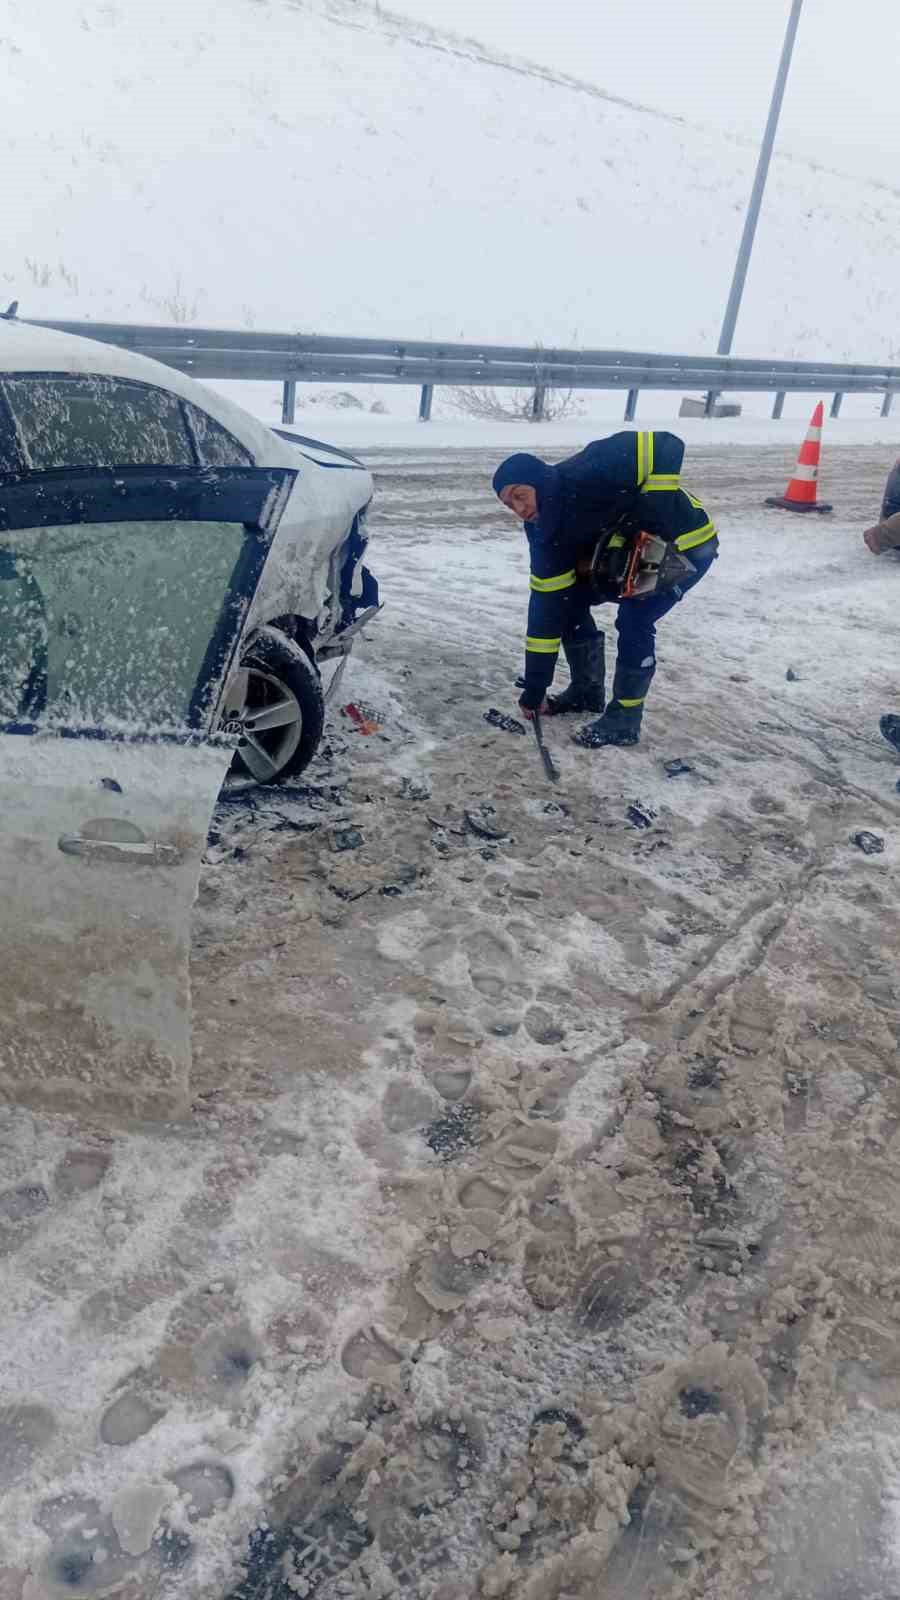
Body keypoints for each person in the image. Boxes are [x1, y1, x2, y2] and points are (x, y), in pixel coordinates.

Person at [492, 430, 718, 747]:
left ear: (538, 482)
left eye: (520, 495)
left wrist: (651, 514)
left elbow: (667, 445)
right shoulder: (544, 535)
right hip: (626, 555)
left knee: (635, 618)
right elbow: (546, 611)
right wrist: (535, 686)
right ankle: (586, 692)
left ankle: (625, 720)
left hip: (685, 546)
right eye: (509, 504)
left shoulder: (591, 469)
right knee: (567, 602)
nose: (519, 508)